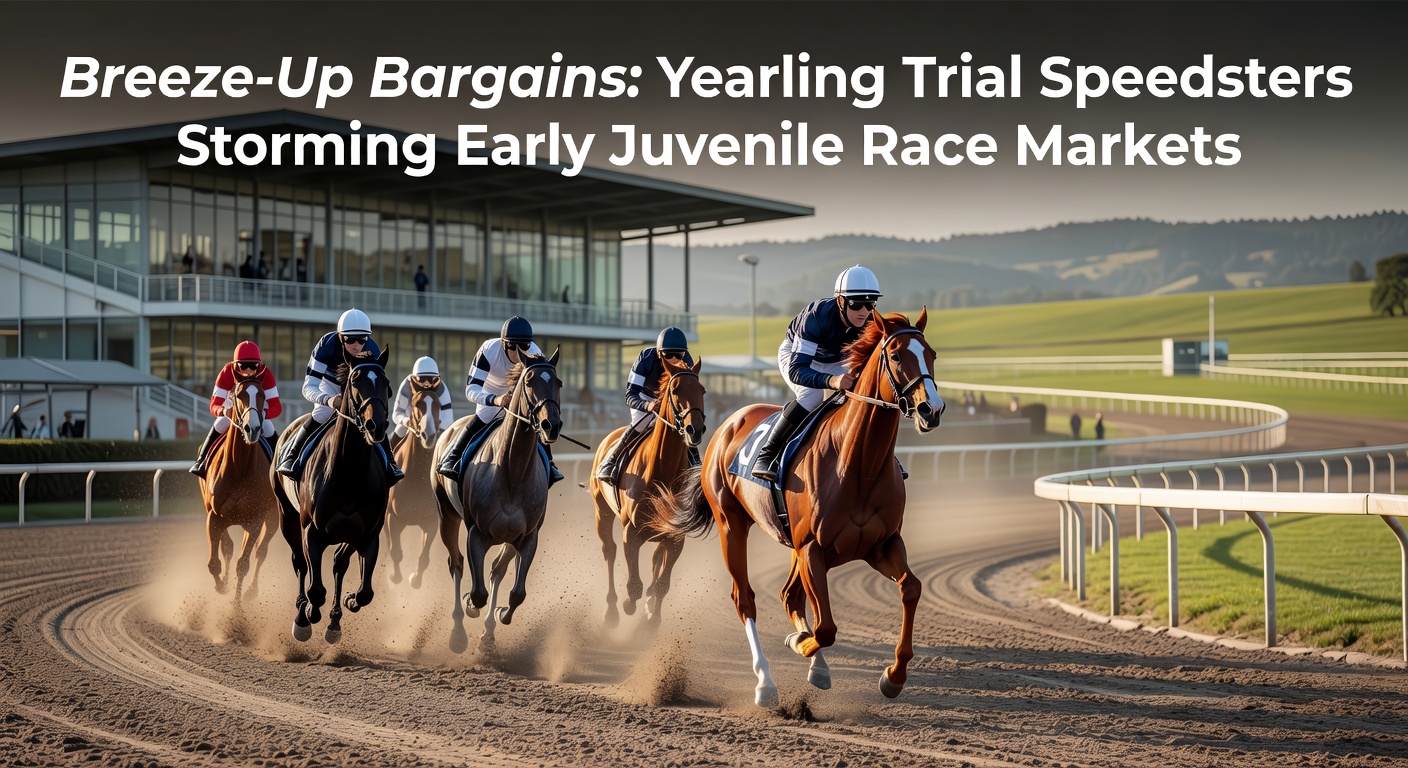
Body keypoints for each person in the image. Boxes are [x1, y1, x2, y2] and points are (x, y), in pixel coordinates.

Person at [753, 265, 880, 481]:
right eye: (857, 303)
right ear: (840, 301)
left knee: (865, 390)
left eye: (871, 303)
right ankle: (767, 455)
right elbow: (797, 370)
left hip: (837, 359)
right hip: (799, 357)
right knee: (812, 395)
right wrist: (831, 381)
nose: (864, 311)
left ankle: (881, 455)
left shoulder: (870, 321)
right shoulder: (816, 317)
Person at [275, 308, 403, 483]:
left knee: (374, 417)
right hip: (330, 385)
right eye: (351, 339)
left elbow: (372, 384)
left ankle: (390, 461)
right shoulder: (326, 345)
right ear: (341, 337)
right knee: (323, 413)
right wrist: (329, 399)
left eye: (362, 338)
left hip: (357, 387)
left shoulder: (371, 349)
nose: (357, 345)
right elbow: (309, 386)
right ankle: (292, 456)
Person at [436, 316, 564, 486]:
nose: (519, 351)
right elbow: (471, 389)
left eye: (524, 346)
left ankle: (550, 463)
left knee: (535, 425)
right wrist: (495, 400)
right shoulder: (489, 350)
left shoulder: (535, 354)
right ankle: (452, 458)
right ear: (504, 343)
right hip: (491, 395)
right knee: (484, 417)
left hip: (519, 398)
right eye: (513, 345)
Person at [595, 326, 696, 482]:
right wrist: (648, 406)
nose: (675, 359)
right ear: (659, 352)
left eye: (679, 354)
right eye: (669, 354)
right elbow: (630, 395)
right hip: (644, 398)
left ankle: (696, 463)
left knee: (686, 425)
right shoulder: (646, 358)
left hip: (669, 401)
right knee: (641, 423)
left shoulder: (686, 361)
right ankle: (610, 462)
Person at [190, 341, 281, 477]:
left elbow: (276, 407)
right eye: (244, 366)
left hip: (257, 412)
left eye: (253, 366)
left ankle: (280, 464)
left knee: (268, 428)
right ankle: (201, 461)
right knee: (221, 423)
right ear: (235, 364)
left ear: (259, 364)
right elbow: (214, 404)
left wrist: (263, 414)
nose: (249, 370)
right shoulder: (227, 372)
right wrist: (222, 411)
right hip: (231, 410)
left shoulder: (266, 374)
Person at [391, 356, 454, 450]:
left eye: (431, 379)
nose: (427, 383)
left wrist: (436, 426)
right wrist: (405, 421)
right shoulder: (407, 386)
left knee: (450, 439)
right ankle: (388, 457)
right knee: (400, 429)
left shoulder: (441, 387)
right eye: (422, 379)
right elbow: (397, 413)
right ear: (414, 378)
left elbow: (448, 418)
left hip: (436, 422)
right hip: (411, 422)